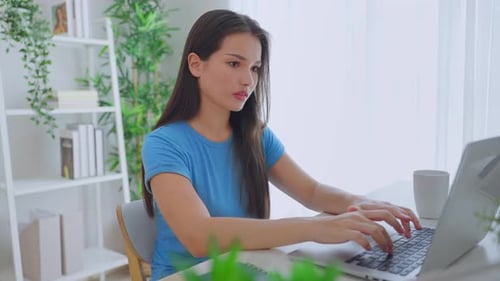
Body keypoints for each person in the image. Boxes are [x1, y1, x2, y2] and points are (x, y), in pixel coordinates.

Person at [141, 9, 422, 280]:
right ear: (196, 64)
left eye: (255, 68)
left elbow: (311, 192)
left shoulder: (255, 135)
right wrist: (314, 228)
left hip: (248, 270)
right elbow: (199, 237)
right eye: (234, 63)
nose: (248, 80)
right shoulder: (164, 144)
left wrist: (362, 204)